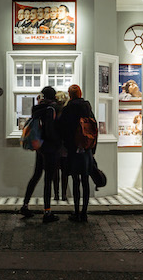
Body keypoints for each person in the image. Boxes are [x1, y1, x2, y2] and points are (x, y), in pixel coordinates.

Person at [19, 86, 62, 223]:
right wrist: (57, 141)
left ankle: (25, 205)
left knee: (36, 175)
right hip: (49, 148)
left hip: (39, 147)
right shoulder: (51, 109)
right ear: (53, 96)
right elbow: (49, 130)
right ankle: (47, 212)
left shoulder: (37, 108)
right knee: (48, 179)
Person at [57, 83, 96, 222]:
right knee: (85, 181)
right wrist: (92, 149)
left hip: (73, 150)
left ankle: (76, 211)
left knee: (75, 180)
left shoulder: (68, 109)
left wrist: (66, 146)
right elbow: (93, 127)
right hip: (86, 150)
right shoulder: (87, 106)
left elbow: (62, 129)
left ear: (70, 95)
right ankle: (84, 212)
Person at [52, 90, 70, 202]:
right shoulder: (67, 112)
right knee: (65, 171)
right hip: (65, 145)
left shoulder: (53, 111)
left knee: (55, 172)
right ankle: (63, 194)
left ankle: (56, 194)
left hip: (55, 145)